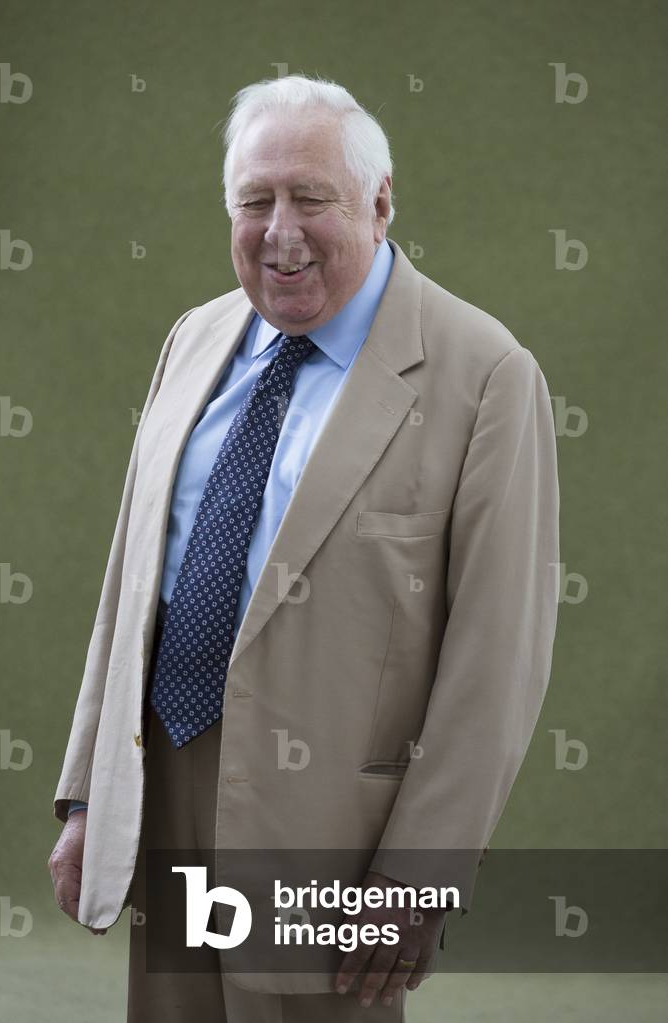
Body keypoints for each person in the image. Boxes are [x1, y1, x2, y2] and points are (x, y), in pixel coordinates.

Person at [48, 73, 560, 1022]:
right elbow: (130, 588)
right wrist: (88, 794)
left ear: (380, 200)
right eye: (255, 200)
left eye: (311, 198)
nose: (279, 231)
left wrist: (420, 875)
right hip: (165, 790)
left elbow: (498, 661)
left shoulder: (488, 376)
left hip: (336, 838)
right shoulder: (193, 339)